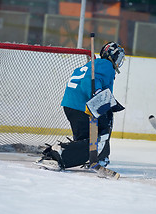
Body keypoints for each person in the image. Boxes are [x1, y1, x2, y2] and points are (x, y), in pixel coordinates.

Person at [35, 42, 125, 171]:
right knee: (101, 132)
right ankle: (58, 154)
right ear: (112, 56)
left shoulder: (92, 64)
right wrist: (98, 94)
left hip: (71, 105)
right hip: (82, 105)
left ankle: (96, 156)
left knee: (85, 139)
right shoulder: (106, 64)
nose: (119, 61)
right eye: (119, 57)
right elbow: (90, 81)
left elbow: (91, 81)